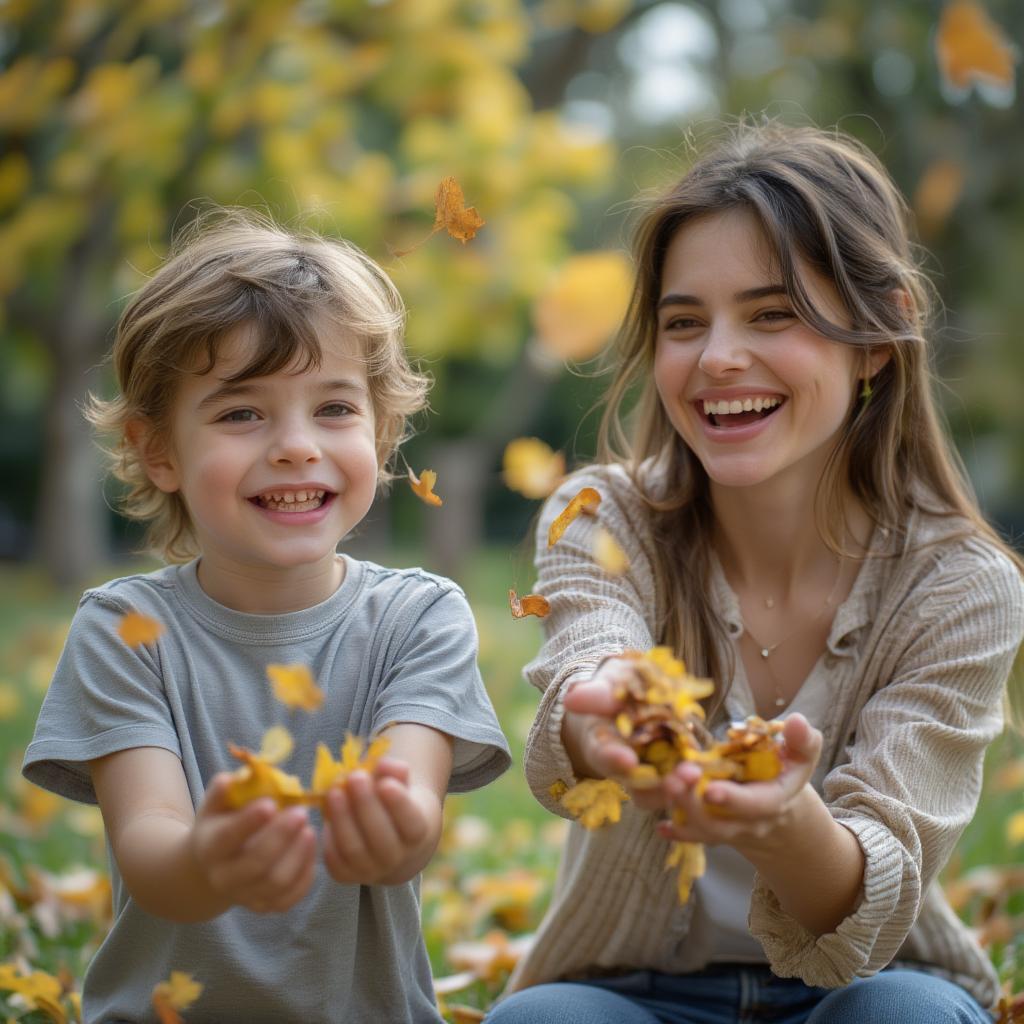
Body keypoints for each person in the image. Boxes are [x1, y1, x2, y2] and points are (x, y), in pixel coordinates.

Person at [487, 121, 1024, 1024]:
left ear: (879, 333)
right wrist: (604, 714)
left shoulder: (963, 587)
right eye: (683, 322)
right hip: (631, 993)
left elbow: (869, 887)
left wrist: (778, 823)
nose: (717, 357)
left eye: (773, 314)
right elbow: (587, 659)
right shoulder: (600, 517)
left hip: (858, 990)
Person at [22, 209, 511, 1024]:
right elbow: (151, 850)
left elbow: (412, 819)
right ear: (159, 452)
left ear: (381, 434)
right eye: (242, 413)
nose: (294, 445)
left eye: (334, 409)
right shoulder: (125, 631)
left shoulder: (419, 618)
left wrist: (391, 827)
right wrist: (207, 861)